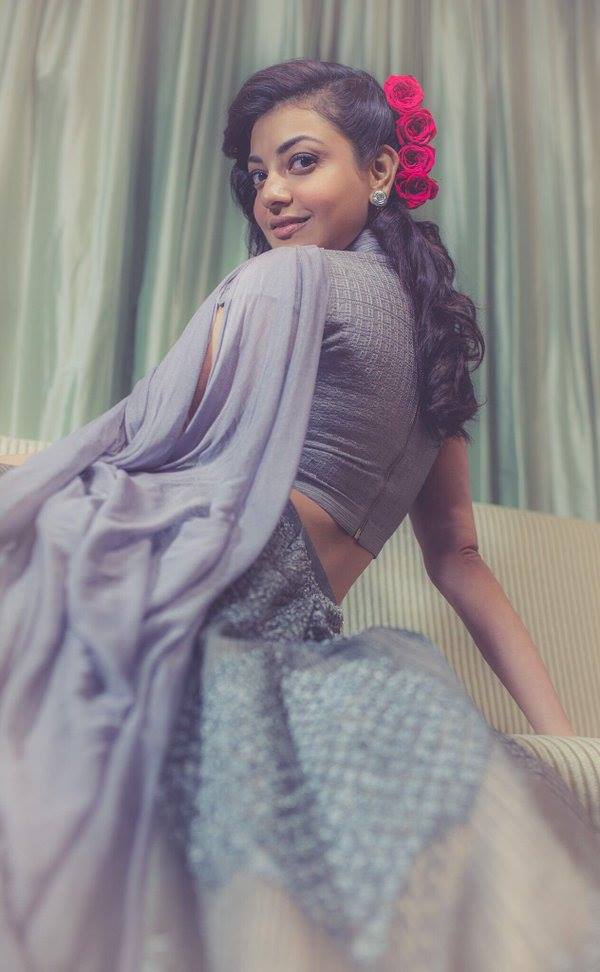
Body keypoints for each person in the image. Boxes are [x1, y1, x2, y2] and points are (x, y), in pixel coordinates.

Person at [1, 59, 599, 972]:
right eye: (257, 173)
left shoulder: (288, 281)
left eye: (301, 161)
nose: (272, 193)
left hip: (192, 584)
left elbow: (148, 448)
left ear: (382, 168)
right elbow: (459, 559)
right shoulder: (437, 349)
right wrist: (567, 741)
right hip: (280, 623)